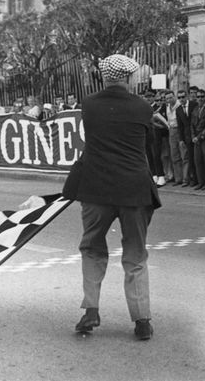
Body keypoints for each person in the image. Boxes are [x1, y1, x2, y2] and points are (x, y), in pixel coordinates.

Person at [61, 54, 161, 340]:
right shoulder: (143, 107)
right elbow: (149, 144)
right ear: (128, 78)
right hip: (135, 189)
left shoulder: (89, 105)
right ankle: (142, 319)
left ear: (104, 78)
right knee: (136, 254)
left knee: (92, 248)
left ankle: (91, 309)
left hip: (96, 188)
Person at [175, 89, 197, 186]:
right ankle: (192, 178)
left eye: (183, 97)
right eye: (179, 97)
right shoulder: (178, 109)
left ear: (187, 96)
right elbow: (180, 126)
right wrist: (181, 139)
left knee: (198, 158)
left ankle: (200, 178)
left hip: (196, 135)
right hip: (187, 137)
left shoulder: (194, 104)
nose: (181, 99)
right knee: (189, 158)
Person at [164, 90, 184, 185]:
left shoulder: (179, 105)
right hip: (171, 130)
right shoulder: (167, 107)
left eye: (171, 97)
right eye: (167, 98)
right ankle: (178, 178)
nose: (169, 99)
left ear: (174, 96)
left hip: (179, 129)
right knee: (174, 155)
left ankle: (186, 178)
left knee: (183, 155)